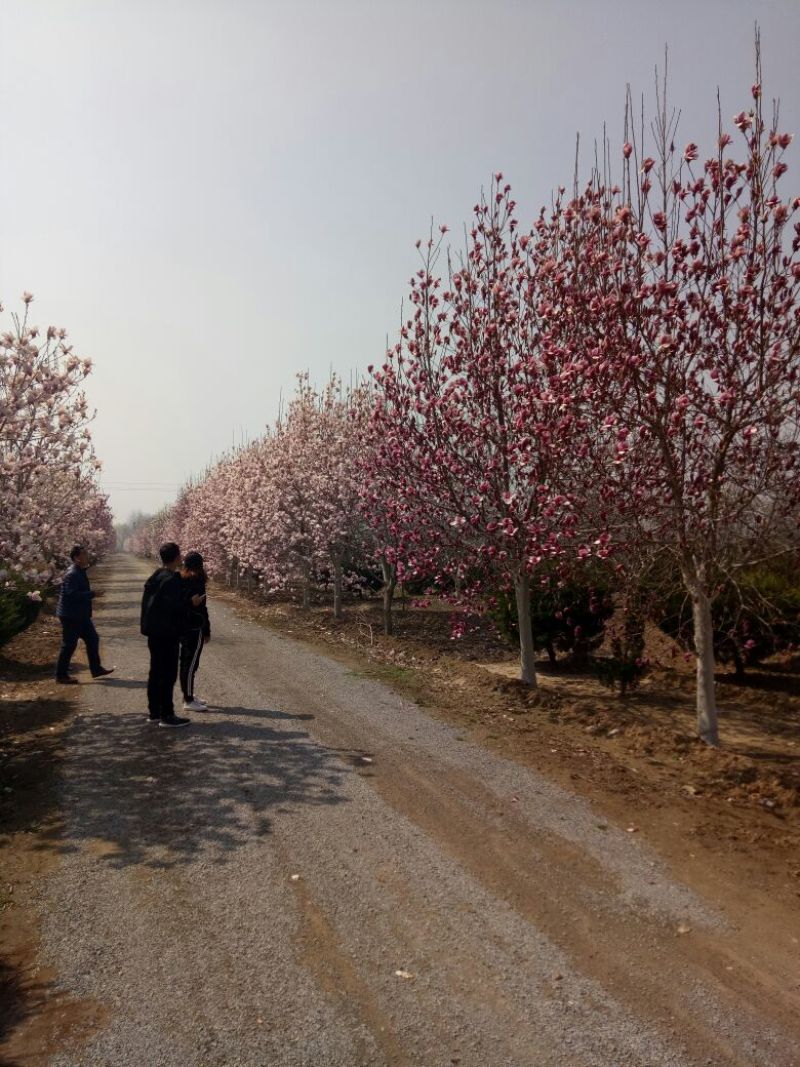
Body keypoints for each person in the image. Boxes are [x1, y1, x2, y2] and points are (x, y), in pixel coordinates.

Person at [140, 542, 204, 728]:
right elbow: (174, 609)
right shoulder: (172, 580)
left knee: (155, 673)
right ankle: (167, 715)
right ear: (177, 557)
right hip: (167, 634)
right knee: (168, 674)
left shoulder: (155, 576)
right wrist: (190, 603)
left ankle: (154, 712)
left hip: (153, 633)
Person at [55, 545, 115, 684]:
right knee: (69, 645)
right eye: (84, 554)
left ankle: (96, 668)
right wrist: (92, 594)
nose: (87, 556)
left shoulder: (79, 571)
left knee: (93, 639)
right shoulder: (72, 573)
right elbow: (71, 594)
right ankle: (61, 675)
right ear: (77, 558)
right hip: (71, 615)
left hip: (80, 615)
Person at [179, 551, 211, 712]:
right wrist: (207, 630)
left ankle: (188, 694)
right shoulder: (196, 580)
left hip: (183, 627)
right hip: (194, 627)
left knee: (188, 662)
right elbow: (202, 608)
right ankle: (188, 700)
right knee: (190, 663)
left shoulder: (181, 579)